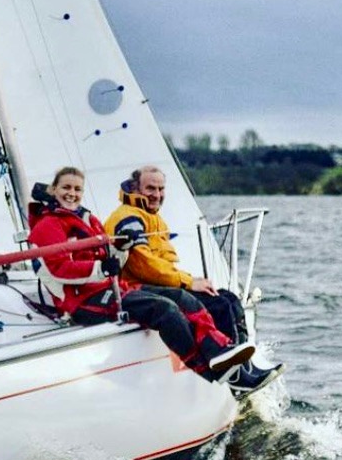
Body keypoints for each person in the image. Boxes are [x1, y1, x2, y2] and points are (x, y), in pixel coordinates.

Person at [27, 166, 252, 383]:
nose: (72, 194)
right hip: (81, 301)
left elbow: (112, 257)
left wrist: (121, 249)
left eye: (77, 189)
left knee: (184, 299)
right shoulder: (47, 226)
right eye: (66, 187)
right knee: (165, 309)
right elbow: (55, 269)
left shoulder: (89, 220)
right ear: (54, 190)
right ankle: (210, 372)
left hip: (111, 288)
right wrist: (101, 269)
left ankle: (221, 352)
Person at [104, 165, 284, 397]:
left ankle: (244, 368)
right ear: (135, 188)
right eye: (150, 188)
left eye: (160, 189)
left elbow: (164, 262)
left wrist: (188, 281)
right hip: (136, 287)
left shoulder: (153, 218)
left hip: (158, 284)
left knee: (228, 299)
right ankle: (236, 377)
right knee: (213, 304)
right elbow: (143, 265)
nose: (156, 194)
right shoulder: (128, 217)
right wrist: (188, 282)